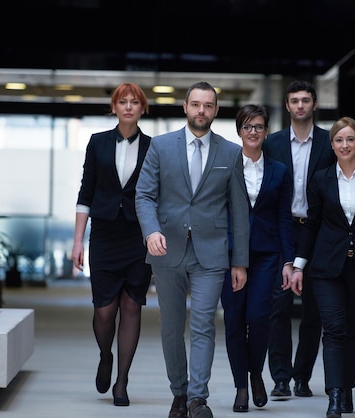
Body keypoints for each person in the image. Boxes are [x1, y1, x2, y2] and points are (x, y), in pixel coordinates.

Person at [135, 81, 250, 418]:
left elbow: (239, 209)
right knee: (171, 325)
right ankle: (180, 393)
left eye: (209, 105)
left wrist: (239, 261)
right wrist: (151, 231)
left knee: (203, 323)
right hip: (166, 249)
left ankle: (199, 398)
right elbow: (143, 195)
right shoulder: (160, 146)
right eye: (196, 104)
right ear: (185, 108)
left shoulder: (230, 152)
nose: (202, 110)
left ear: (216, 111)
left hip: (211, 252)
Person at [289, 116, 355, 418]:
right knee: (334, 329)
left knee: (353, 329)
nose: (345, 145)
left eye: (350, 139)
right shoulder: (321, 179)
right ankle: (334, 394)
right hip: (325, 268)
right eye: (339, 140)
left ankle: (347, 386)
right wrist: (299, 266)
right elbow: (310, 225)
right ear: (332, 144)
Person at [71, 82, 153, 407]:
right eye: (123, 102)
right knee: (104, 311)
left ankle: (122, 381)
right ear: (115, 107)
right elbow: (85, 192)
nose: (129, 107)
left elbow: (158, 194)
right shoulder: (97, 143)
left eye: (135, 102)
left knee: (132, 305)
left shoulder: (152, 147)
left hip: (138, 237)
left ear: (142, 108)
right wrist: (78, 241)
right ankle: (106, 354)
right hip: (103, 235)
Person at [262, 80, 336, 398]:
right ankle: (280, 377)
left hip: (318, 231)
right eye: (294, 100)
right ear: (288, 106)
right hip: (283, 230)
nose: (300, 105)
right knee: (277, 306)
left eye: (306, 100)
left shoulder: (329, 141)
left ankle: (302, 377)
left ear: (314, 104)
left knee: (313, 309)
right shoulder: (273, 143)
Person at [220, 104, 295, 413]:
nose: (253, 132)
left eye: (259, 127)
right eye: (248, 127)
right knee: (235, 320)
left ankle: (255, 373)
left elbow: (284, 218)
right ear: (239, 131)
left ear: (266, 131)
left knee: (259, 318)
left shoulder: (279, 170)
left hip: (267, 254)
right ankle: (241, 386)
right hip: (229, 254)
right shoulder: (225, 166)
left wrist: (289, 261)